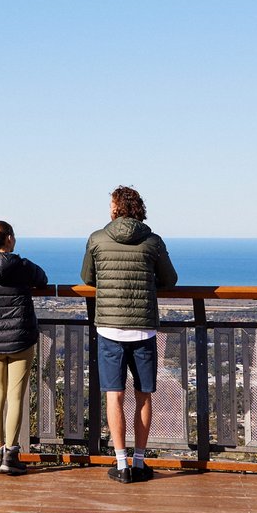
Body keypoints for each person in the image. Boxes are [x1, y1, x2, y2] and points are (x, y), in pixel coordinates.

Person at [80, 185, 178, 482]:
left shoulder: (97, 239)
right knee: (144, 396)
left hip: (109, 327)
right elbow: (170, 280)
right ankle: (139, 461)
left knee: (115, 396)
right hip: (143, 329)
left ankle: (121, 465)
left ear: (115, 209)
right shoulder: (153, 241)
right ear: (138, 208)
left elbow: (87, 277)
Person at [0, 220, 49, 475]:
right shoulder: (21, 266)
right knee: (15, 397)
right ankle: (11, 456)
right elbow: (43, 279)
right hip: (20, 339)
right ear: (9, 239)